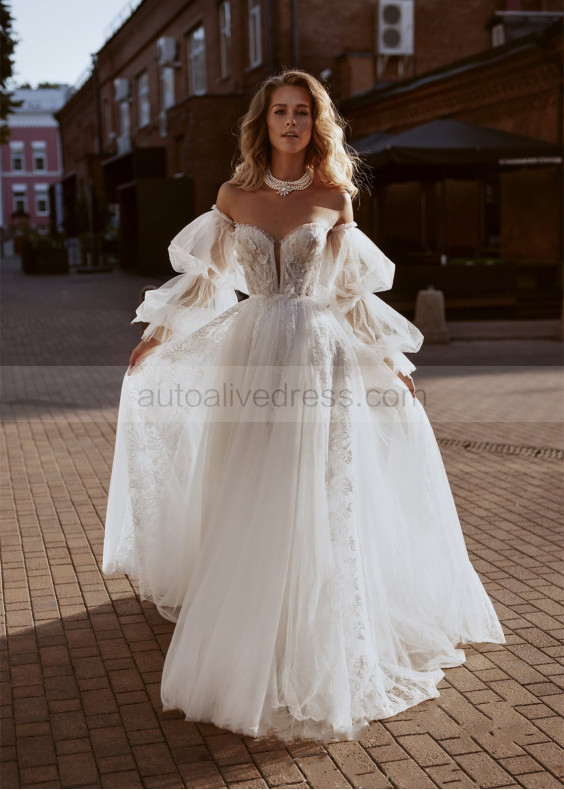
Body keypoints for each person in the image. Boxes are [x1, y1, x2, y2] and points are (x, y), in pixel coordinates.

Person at [102, 69, 505, 744]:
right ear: (263, 122)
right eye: (280, 112)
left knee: (322, 492)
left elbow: (350, 295)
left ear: (316, 123)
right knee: (253, 487)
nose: (290, 122)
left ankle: (322, 633)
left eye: (302, 112)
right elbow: (205, 282)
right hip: (253, 352)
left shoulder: (334, 194)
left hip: (321, 357)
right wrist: (160, 335)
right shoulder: (235, 194)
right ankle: (252, 628)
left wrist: (387, 362)